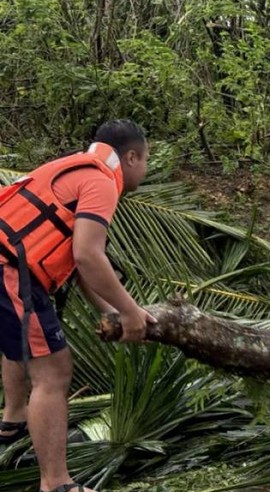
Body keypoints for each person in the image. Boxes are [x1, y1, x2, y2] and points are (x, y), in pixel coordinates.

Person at [0, 119, 156, 492]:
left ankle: (15, 419)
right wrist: (133, 312)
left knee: (23, 343)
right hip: (9, 271)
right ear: (131, 156)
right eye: (147, 159)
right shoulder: (101, 181)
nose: (146, 168)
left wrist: (111, 310)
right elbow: (88, 255)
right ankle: (56, 484)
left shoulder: (74, 168)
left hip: (9, 267)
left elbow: (77, 261)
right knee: (53, 372)